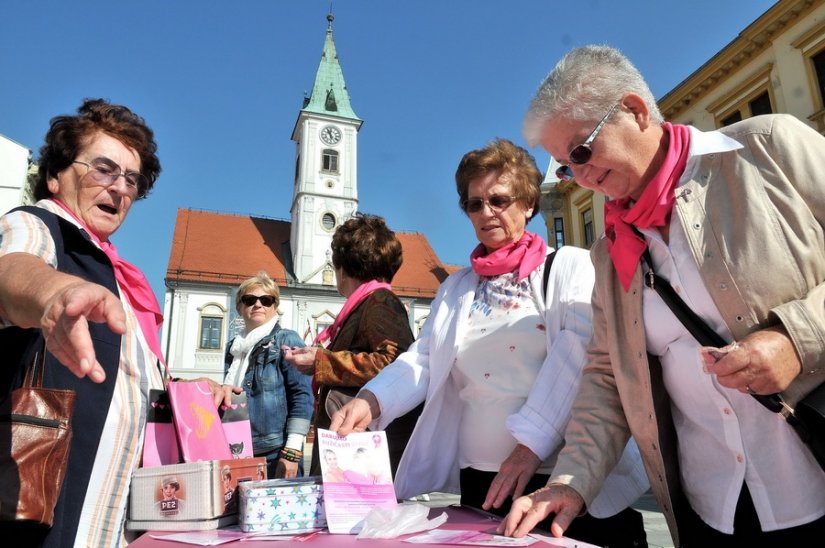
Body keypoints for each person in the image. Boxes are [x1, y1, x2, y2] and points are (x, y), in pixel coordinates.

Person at [500, 45, 825, 546]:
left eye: (581, 151)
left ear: (633, 109)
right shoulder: (610, 254)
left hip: (813, 483)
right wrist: (571, 481)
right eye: (566, 167)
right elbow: (607, 374)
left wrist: (796, 340)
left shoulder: (769, 148)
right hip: (713, 509)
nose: (581, 177)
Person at [329, 139, 649, 547]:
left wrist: (530, 446)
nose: (486, 212)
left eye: (498, 199)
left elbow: (578, 358)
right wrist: (372, 399)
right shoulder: (458, 286)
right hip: (480, 477)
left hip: (554, 473)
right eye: (474, 204)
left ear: (528, 203)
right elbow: (424, 358)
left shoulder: (566, 266)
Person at [0, 98, 163, 546]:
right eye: (104, 169)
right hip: (48, 511)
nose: (121, 188)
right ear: (55, 175)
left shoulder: (117, 274)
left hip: (109, 516)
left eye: (132, 179)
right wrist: (54, 293)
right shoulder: (38, 225)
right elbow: (12, 269)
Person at [282, 213, 423, 478]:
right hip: (353, 444)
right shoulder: (366, 302)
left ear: (342, 268)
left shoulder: (380, 300)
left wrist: (322, 361)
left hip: (362, 449)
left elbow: (396, 363)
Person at [200, 272, 313, 479]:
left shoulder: (286, 339)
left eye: (266, 300)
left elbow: (302, 396)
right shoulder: (233, 349)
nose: (258, 305)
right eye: (250, 300)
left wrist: (292, 453)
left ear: (275, 306)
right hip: (237, 450)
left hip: (274, 453)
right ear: (240, 307)